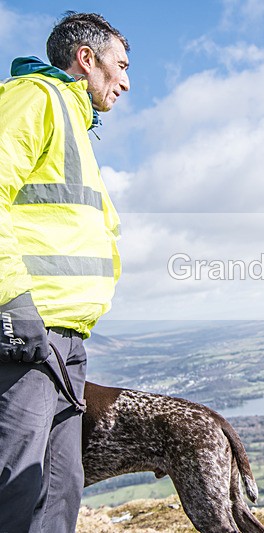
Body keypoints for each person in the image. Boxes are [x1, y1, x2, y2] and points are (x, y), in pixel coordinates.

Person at [0, 11, 129, 532]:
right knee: (15, 485)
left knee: (61, 488)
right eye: (119, 65)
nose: (126, 80)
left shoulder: (76, 121)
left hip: (66, 338)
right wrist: (11, 301)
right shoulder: (34, 98)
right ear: (86, 59)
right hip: (29, 330)